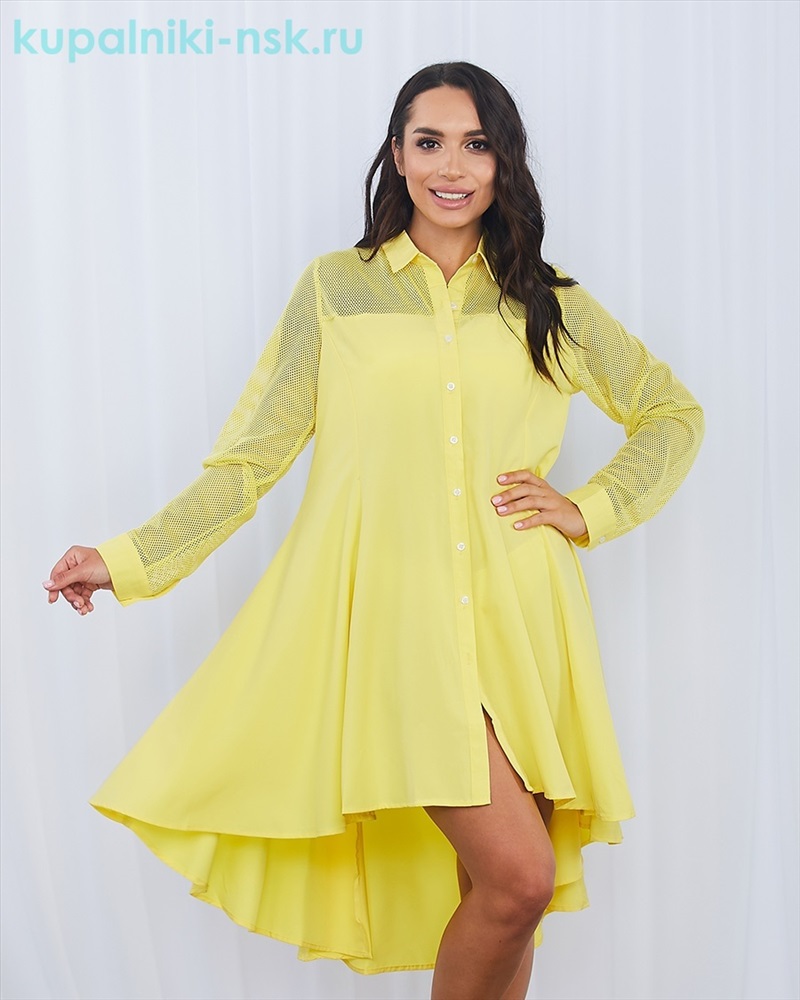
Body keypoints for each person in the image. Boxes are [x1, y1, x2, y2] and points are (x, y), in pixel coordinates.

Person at [43, 62, 704, 1000]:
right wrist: (126, 560)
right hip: (398, 629)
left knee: (502, 894)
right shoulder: (336, 291)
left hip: (524, 621)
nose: (452, 167)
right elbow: (251, 460)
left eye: (476, 145)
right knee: (521, 879)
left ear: (504, 162)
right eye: (429, 142)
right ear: (397, 155)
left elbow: (671, 414)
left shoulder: (546, 301)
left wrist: (586, 508)